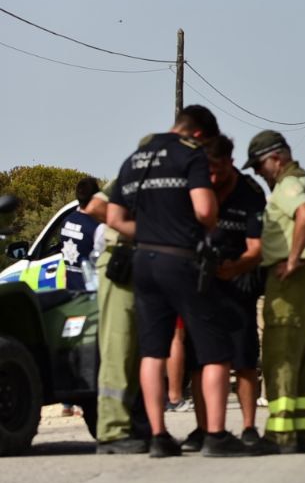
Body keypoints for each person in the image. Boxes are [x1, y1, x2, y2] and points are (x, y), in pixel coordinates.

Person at [106, 105, 248, 457]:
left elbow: (113, 217)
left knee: (153, 350)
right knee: (215, 349)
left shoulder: (135, 158)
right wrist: (202, 224)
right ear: (199, 134)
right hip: (181, 259)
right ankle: (215, 436)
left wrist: (151, 232)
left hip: (143, 260)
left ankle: (158, 437)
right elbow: (203, 210)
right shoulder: (190, 155)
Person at [181, 136, 267, 453]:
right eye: (208, 172)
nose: (213, 179)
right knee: (199, 360)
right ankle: (203, 429)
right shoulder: (197, 186)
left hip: (239, 280)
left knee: (244, 359)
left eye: (218, 171)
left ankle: (248, 428)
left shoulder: (251, 193)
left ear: (230, 162)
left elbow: (258, 248)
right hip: (201, 285)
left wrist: (237, 266)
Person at [246, 130, 305, 455]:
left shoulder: (289, 184)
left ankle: (279, 434)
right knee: (303, 354)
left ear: (275, 158)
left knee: (280, 354)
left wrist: (291, 261)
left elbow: (303, 214)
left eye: (259, 166)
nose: (258, 173)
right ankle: (303, 429)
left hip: (290, 278)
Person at [89, 179, 150, 454]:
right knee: (119, 347)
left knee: (138, 351)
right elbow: (95, 207)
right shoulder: (135, 171)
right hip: (122, 261)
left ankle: (134, 425)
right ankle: (112, 431)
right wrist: (141, 231)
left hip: (146, 263)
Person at [57, 177, 106, 292]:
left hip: (71, 290)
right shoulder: (98, 227)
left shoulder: (66, 221)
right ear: (96, 197)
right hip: (90, 294)